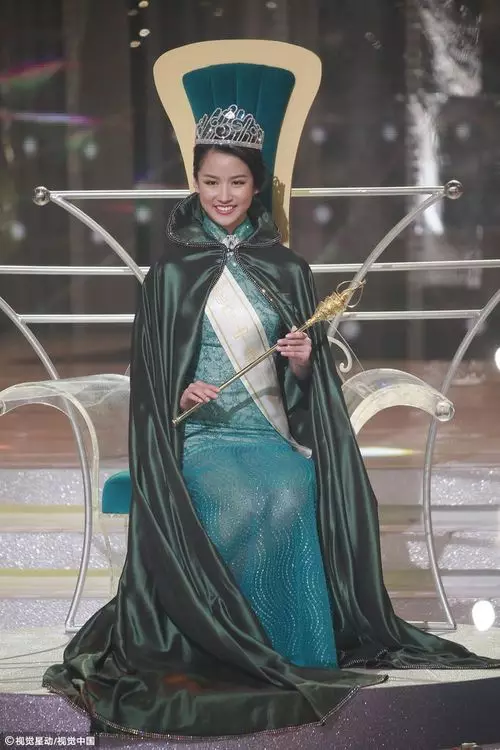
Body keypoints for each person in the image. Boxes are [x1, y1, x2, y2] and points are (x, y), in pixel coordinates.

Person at [43, 106, 499, 738]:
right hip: (200, 437)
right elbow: (150, 378)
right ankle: (217, 641)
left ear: (257, 185)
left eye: (236, 182)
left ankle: (290, 649)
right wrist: (180, 391)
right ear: (194, 183)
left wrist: (306, 361)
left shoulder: (288, 270)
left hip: (268, 433)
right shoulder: (169, 275)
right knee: (234, 493)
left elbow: (311, 390)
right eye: (210, 182)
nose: (223, 195)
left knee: (291, 485)